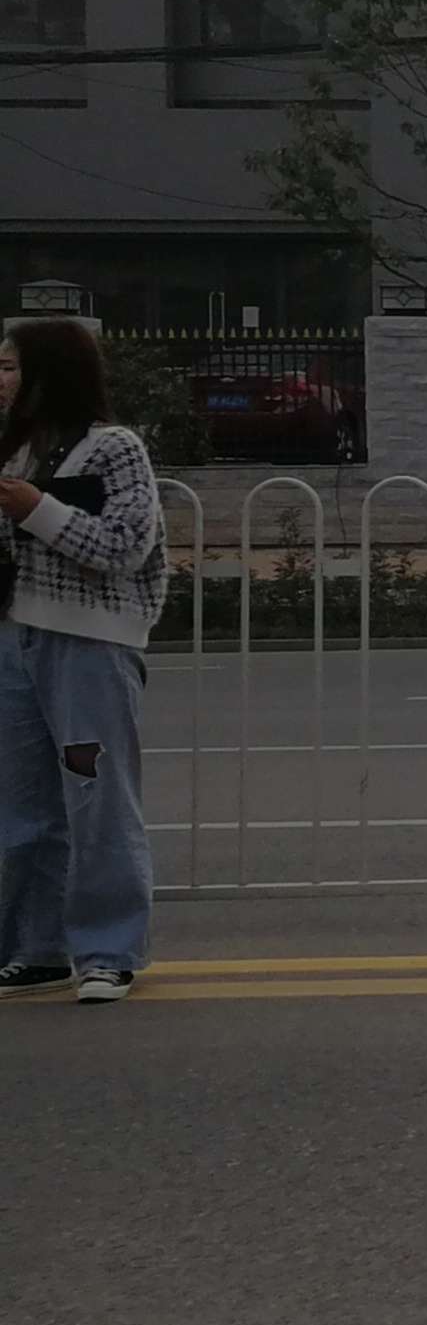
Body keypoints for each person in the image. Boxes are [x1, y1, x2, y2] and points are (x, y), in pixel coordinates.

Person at [0, 319, 168, 1004]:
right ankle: (34, 949)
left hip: (90, 645)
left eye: (10, 367)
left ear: (50, 373)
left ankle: (108, 951)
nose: (1, 380)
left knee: (98, 802)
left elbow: (124, 546)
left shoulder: (114, 448)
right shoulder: (13, 451)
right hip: (15, 640)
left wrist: (37, 509)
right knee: (24, 807)